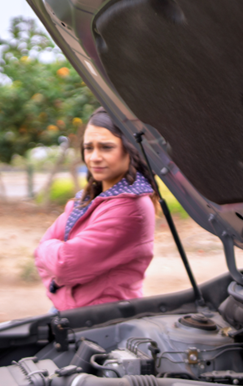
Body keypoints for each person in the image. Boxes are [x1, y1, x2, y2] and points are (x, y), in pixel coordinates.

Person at [34, 107, 157, 311]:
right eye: (88, 148)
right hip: (71, 309)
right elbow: (46, 250)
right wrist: (49, 252)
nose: (94, 157)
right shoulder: (90, 197)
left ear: (130, 149)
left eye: (106, 147)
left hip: (102, 318)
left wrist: (48, 250)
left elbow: (64, 264)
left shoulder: (130, 207)